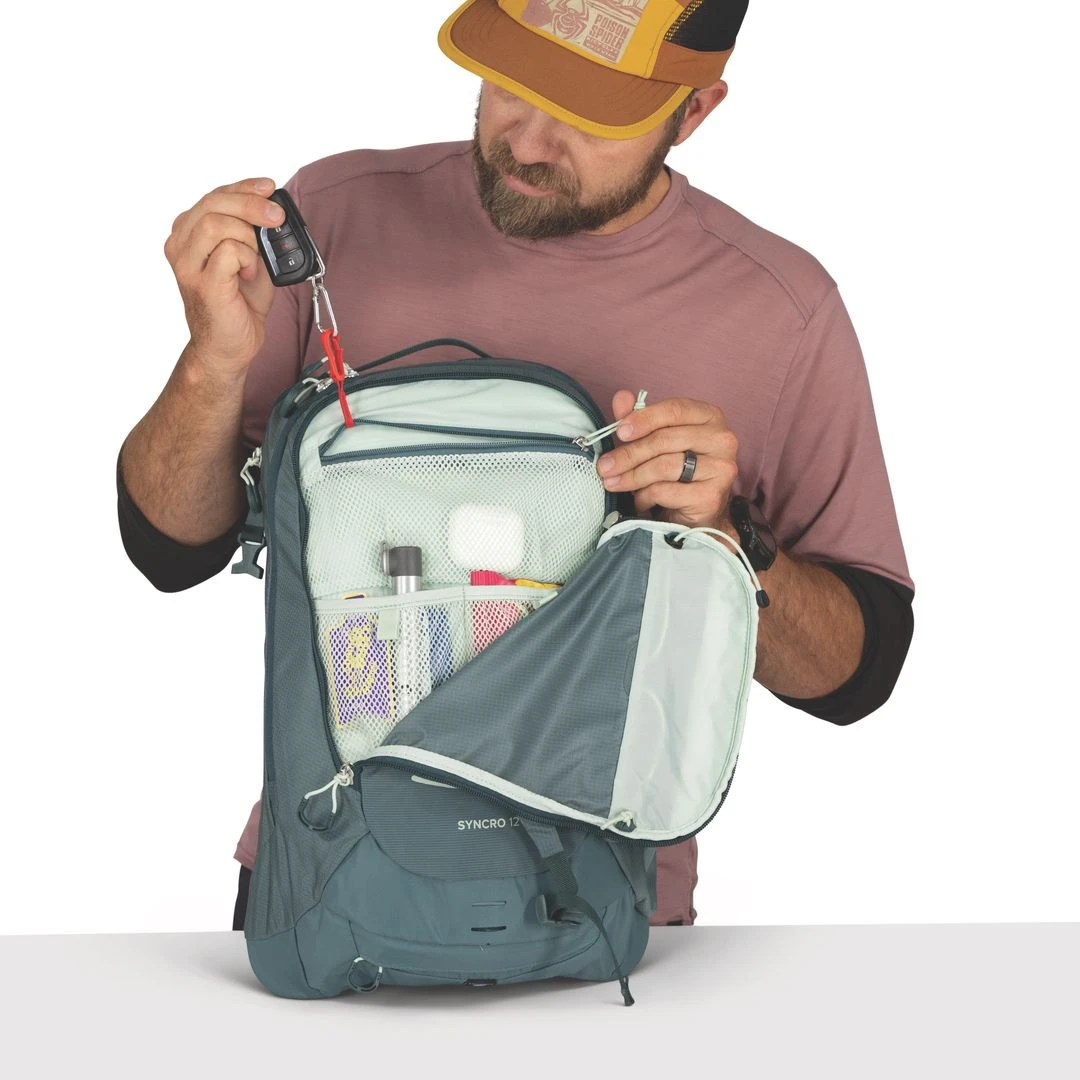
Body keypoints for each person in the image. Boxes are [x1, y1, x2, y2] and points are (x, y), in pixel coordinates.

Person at [116, 0, 915, 932]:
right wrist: (211, 366)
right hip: (329, 879)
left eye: (590, 116)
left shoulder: (781, 311)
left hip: (602, 909)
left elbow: (856, 678)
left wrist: (725, 540)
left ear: (694, 111)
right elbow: (170, 550)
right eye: (510, 86)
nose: (528, 143)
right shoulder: (334, 216)